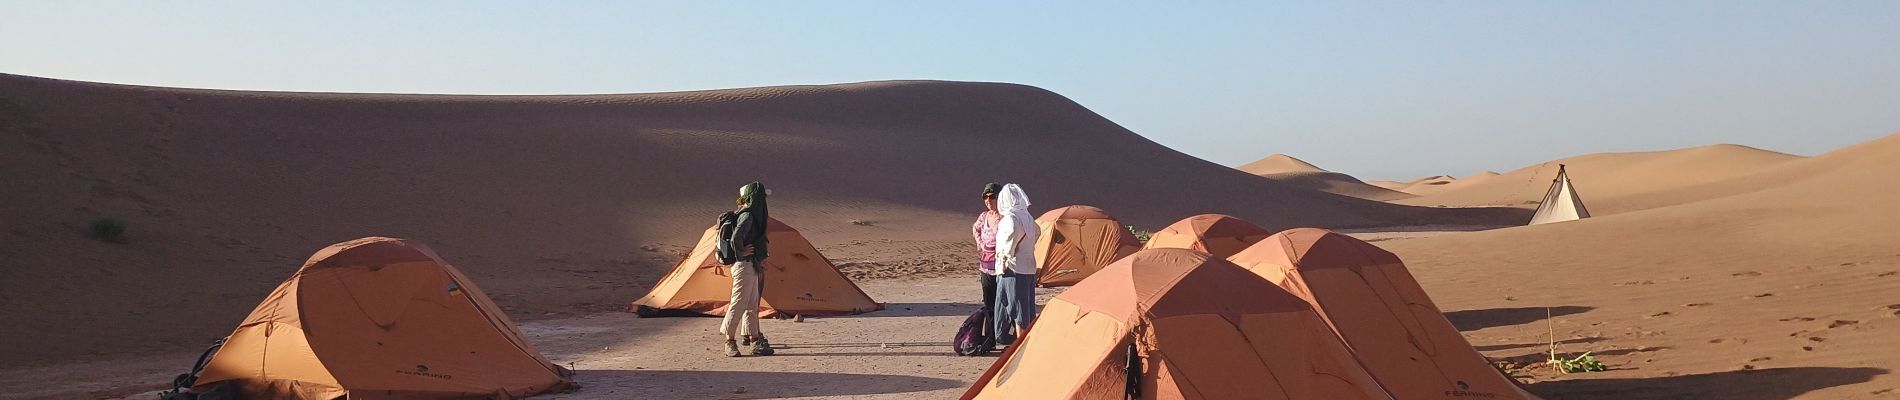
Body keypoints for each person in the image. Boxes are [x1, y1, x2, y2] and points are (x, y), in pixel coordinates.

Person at [721, 181, 774, 357]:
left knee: (752, 305)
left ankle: (754, 340)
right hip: (743, 265)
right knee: (738, 303)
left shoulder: (754, 216)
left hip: (752, 265)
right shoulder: (748, 216)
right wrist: (741, 252)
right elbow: (737, 237)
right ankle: (729, 341)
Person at [992, 183, 1040, 345]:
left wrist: (1007, 253)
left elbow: (1009, 238)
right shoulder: (1028, 218)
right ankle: (1023, 343)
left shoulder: (1010, 219)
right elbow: (1038, 232)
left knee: (1015, 309)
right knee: (1025, 308)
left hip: (1012, 268)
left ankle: (1020, 346)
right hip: (1029, 267)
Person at [970, 182, 1003, 349]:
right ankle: (989, 338)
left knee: (1002, 303)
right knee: (989, 304)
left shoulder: (1004, 218)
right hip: (985, 268)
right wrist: (980, 244)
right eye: (985, 197)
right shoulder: (984, 217)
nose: (988, 200)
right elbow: (975, 229)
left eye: (992, 197)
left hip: (1002, 269)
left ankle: (1002, 336)